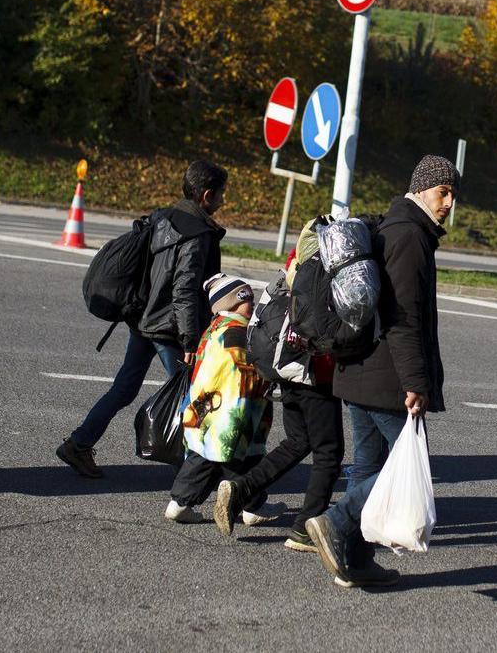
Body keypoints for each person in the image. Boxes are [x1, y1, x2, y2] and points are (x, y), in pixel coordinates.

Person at [305, 154, 455, 588]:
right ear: (423, 187)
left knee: (369, 468)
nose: (448, 203)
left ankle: (354, 560)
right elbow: (402, 317)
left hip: (360, 372)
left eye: (452, 195)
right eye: (443, 192)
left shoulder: (398, 226)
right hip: (388, 377)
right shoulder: (410, 236)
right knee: (406, 466)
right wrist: (415, 382)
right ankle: (335, 521)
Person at [56, 160, 228, 478]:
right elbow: (185, 290)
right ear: (206, 196)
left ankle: (78, 445)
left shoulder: (163, 217)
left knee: (124, 387)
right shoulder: (197, 234)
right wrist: (191, 339)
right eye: (221, 195)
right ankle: (195, 473)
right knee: (192, 395)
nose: (223, 201)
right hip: (169, 329)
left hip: (143, 319)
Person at [212, 237, 345, 551]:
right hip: (313, 370)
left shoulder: (297, 262)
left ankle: (241, 488)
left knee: (298, 441)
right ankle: (304, 529)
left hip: (284, 362)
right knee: (329, 453)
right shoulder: (330, 271)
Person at [165, 274, 282, 524]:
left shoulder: (215, 328)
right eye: (246, 301)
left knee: (204, 457)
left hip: (208, 409)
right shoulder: (236, 332)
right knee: (242, 460)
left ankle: (179, 502)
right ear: (229, 305)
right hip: (234, 410)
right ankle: (252, 506)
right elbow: (247, 367)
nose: (251, 306)